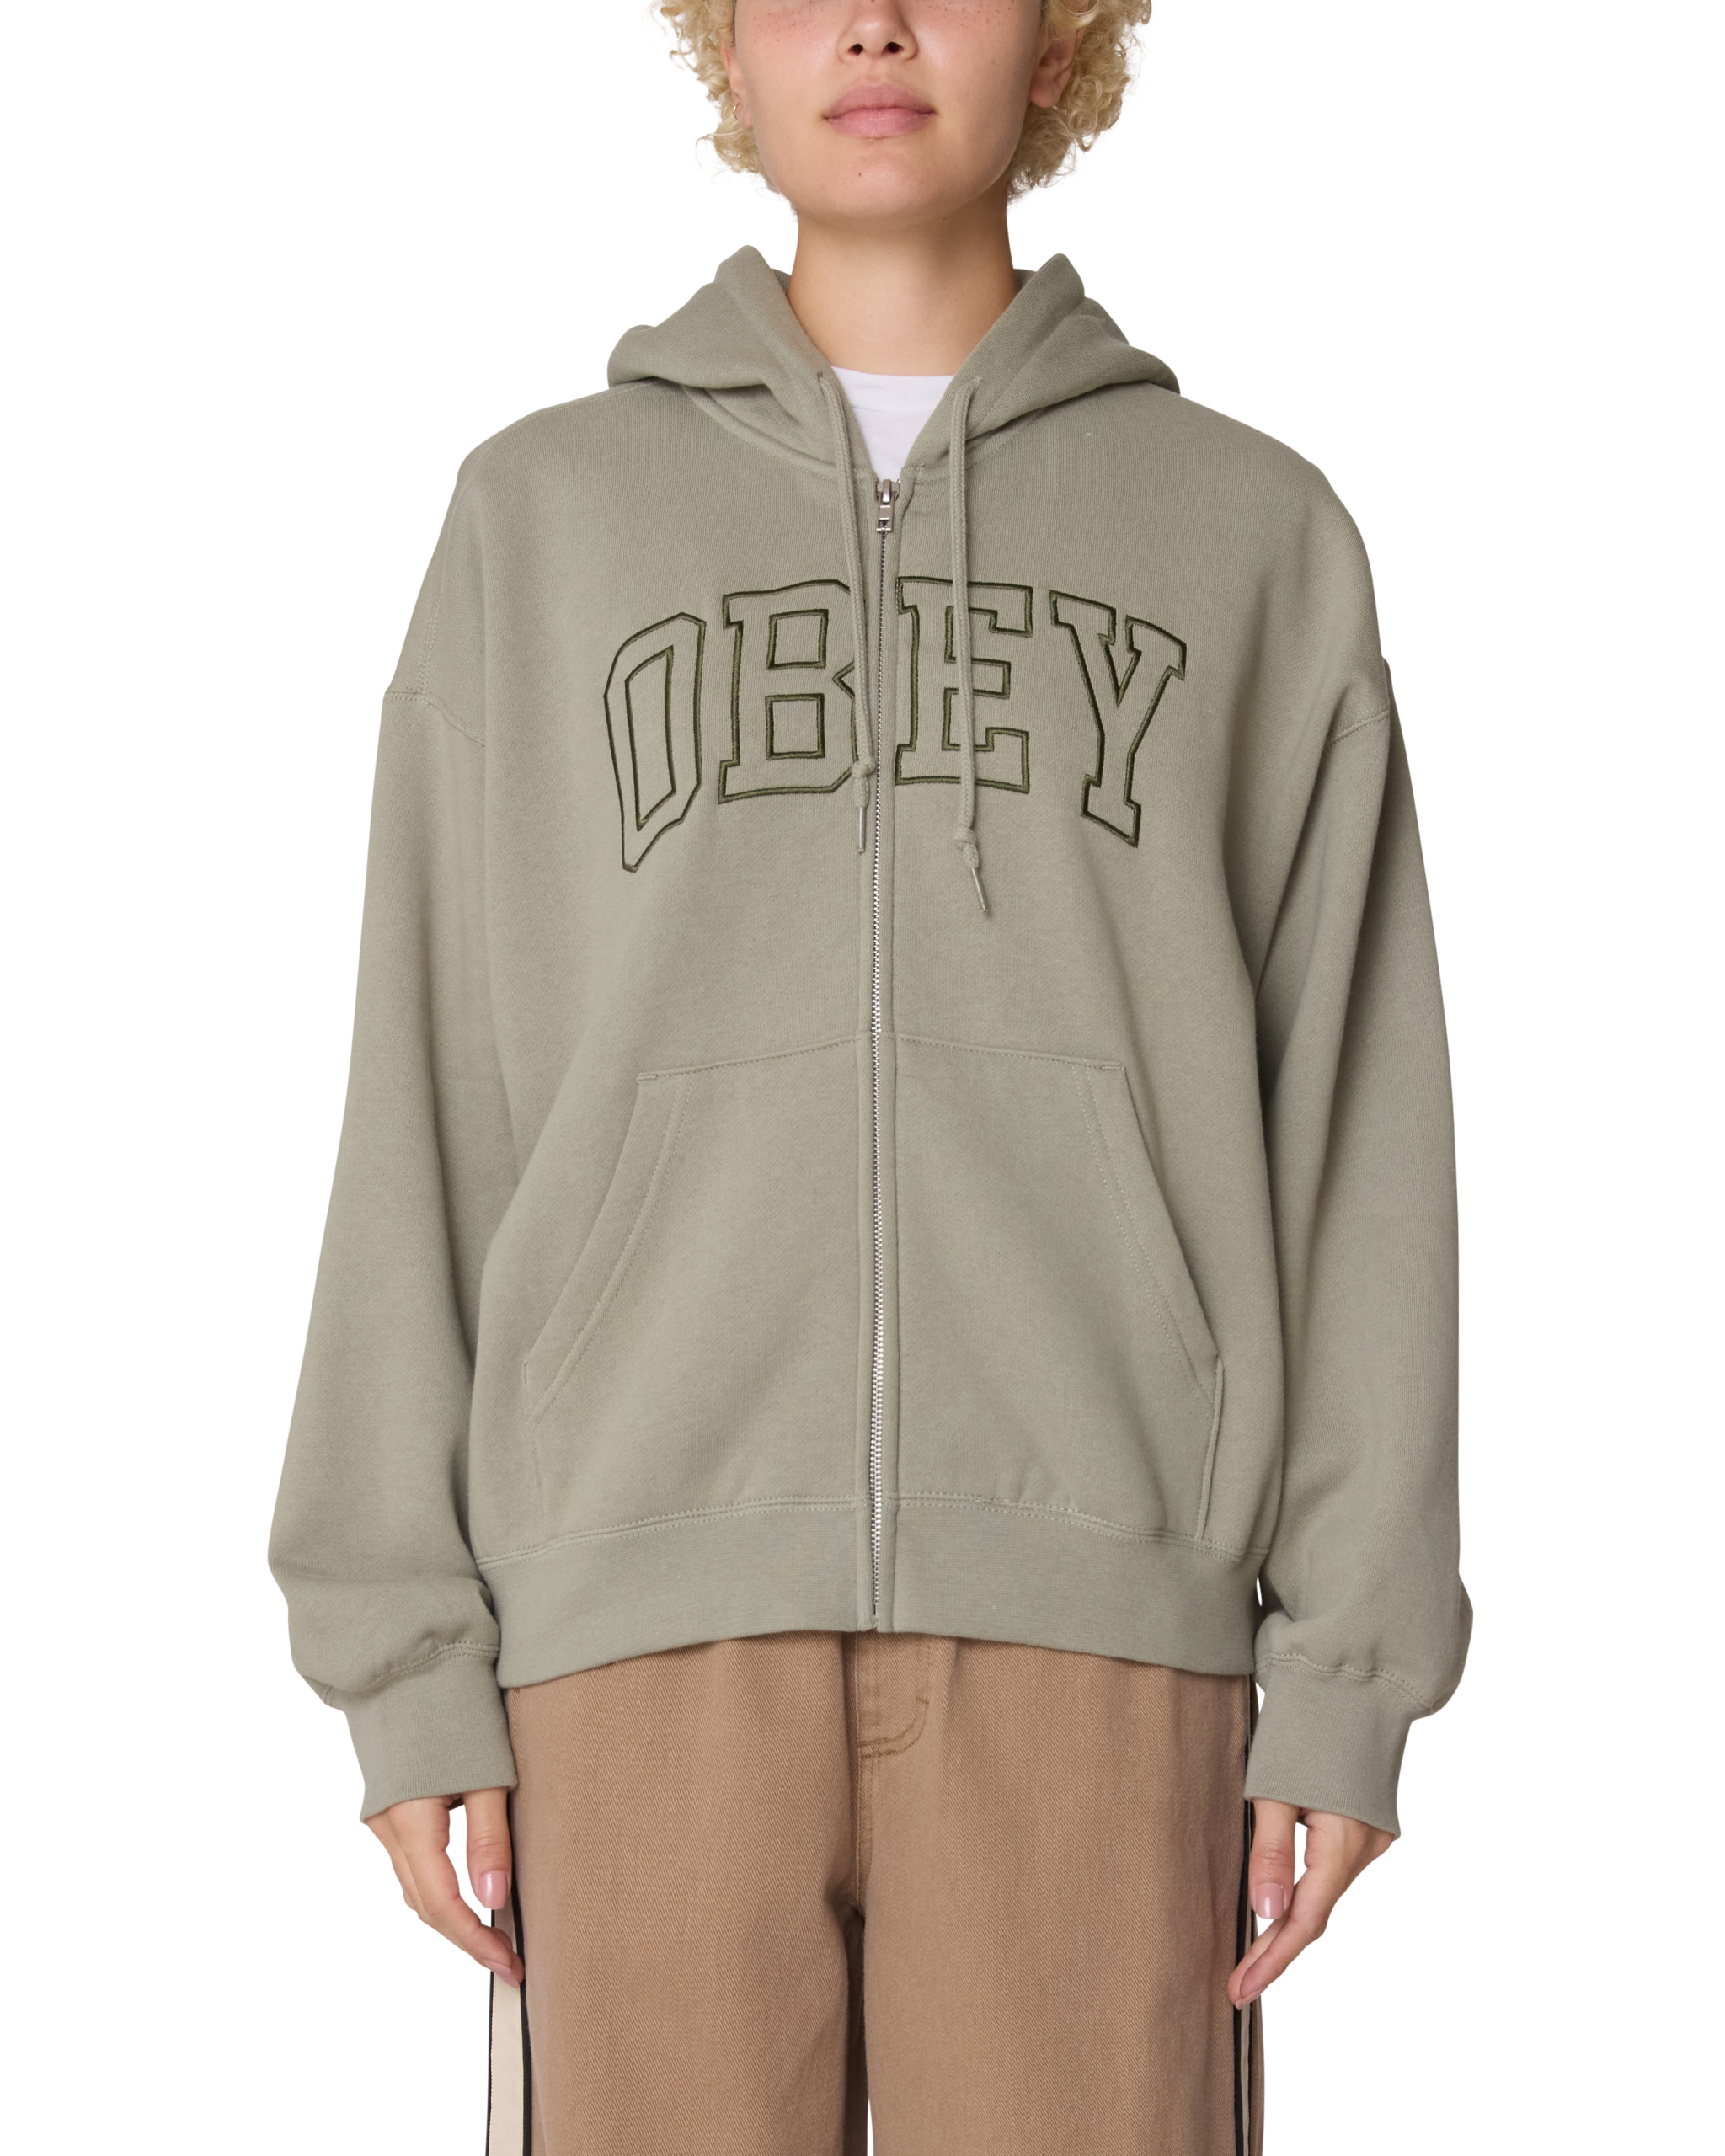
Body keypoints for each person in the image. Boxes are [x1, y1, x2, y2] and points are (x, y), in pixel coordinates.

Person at [268, 4, 1469, 2149]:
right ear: (723, 39)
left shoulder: (1253, 528)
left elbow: (1357, 1128)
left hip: (1112, 1622)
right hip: (632, 1613)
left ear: (1064, 39)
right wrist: (398, 1639)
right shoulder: (539, 514)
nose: (881, 21)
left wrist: (1349, 1666)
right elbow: (426, 1083)